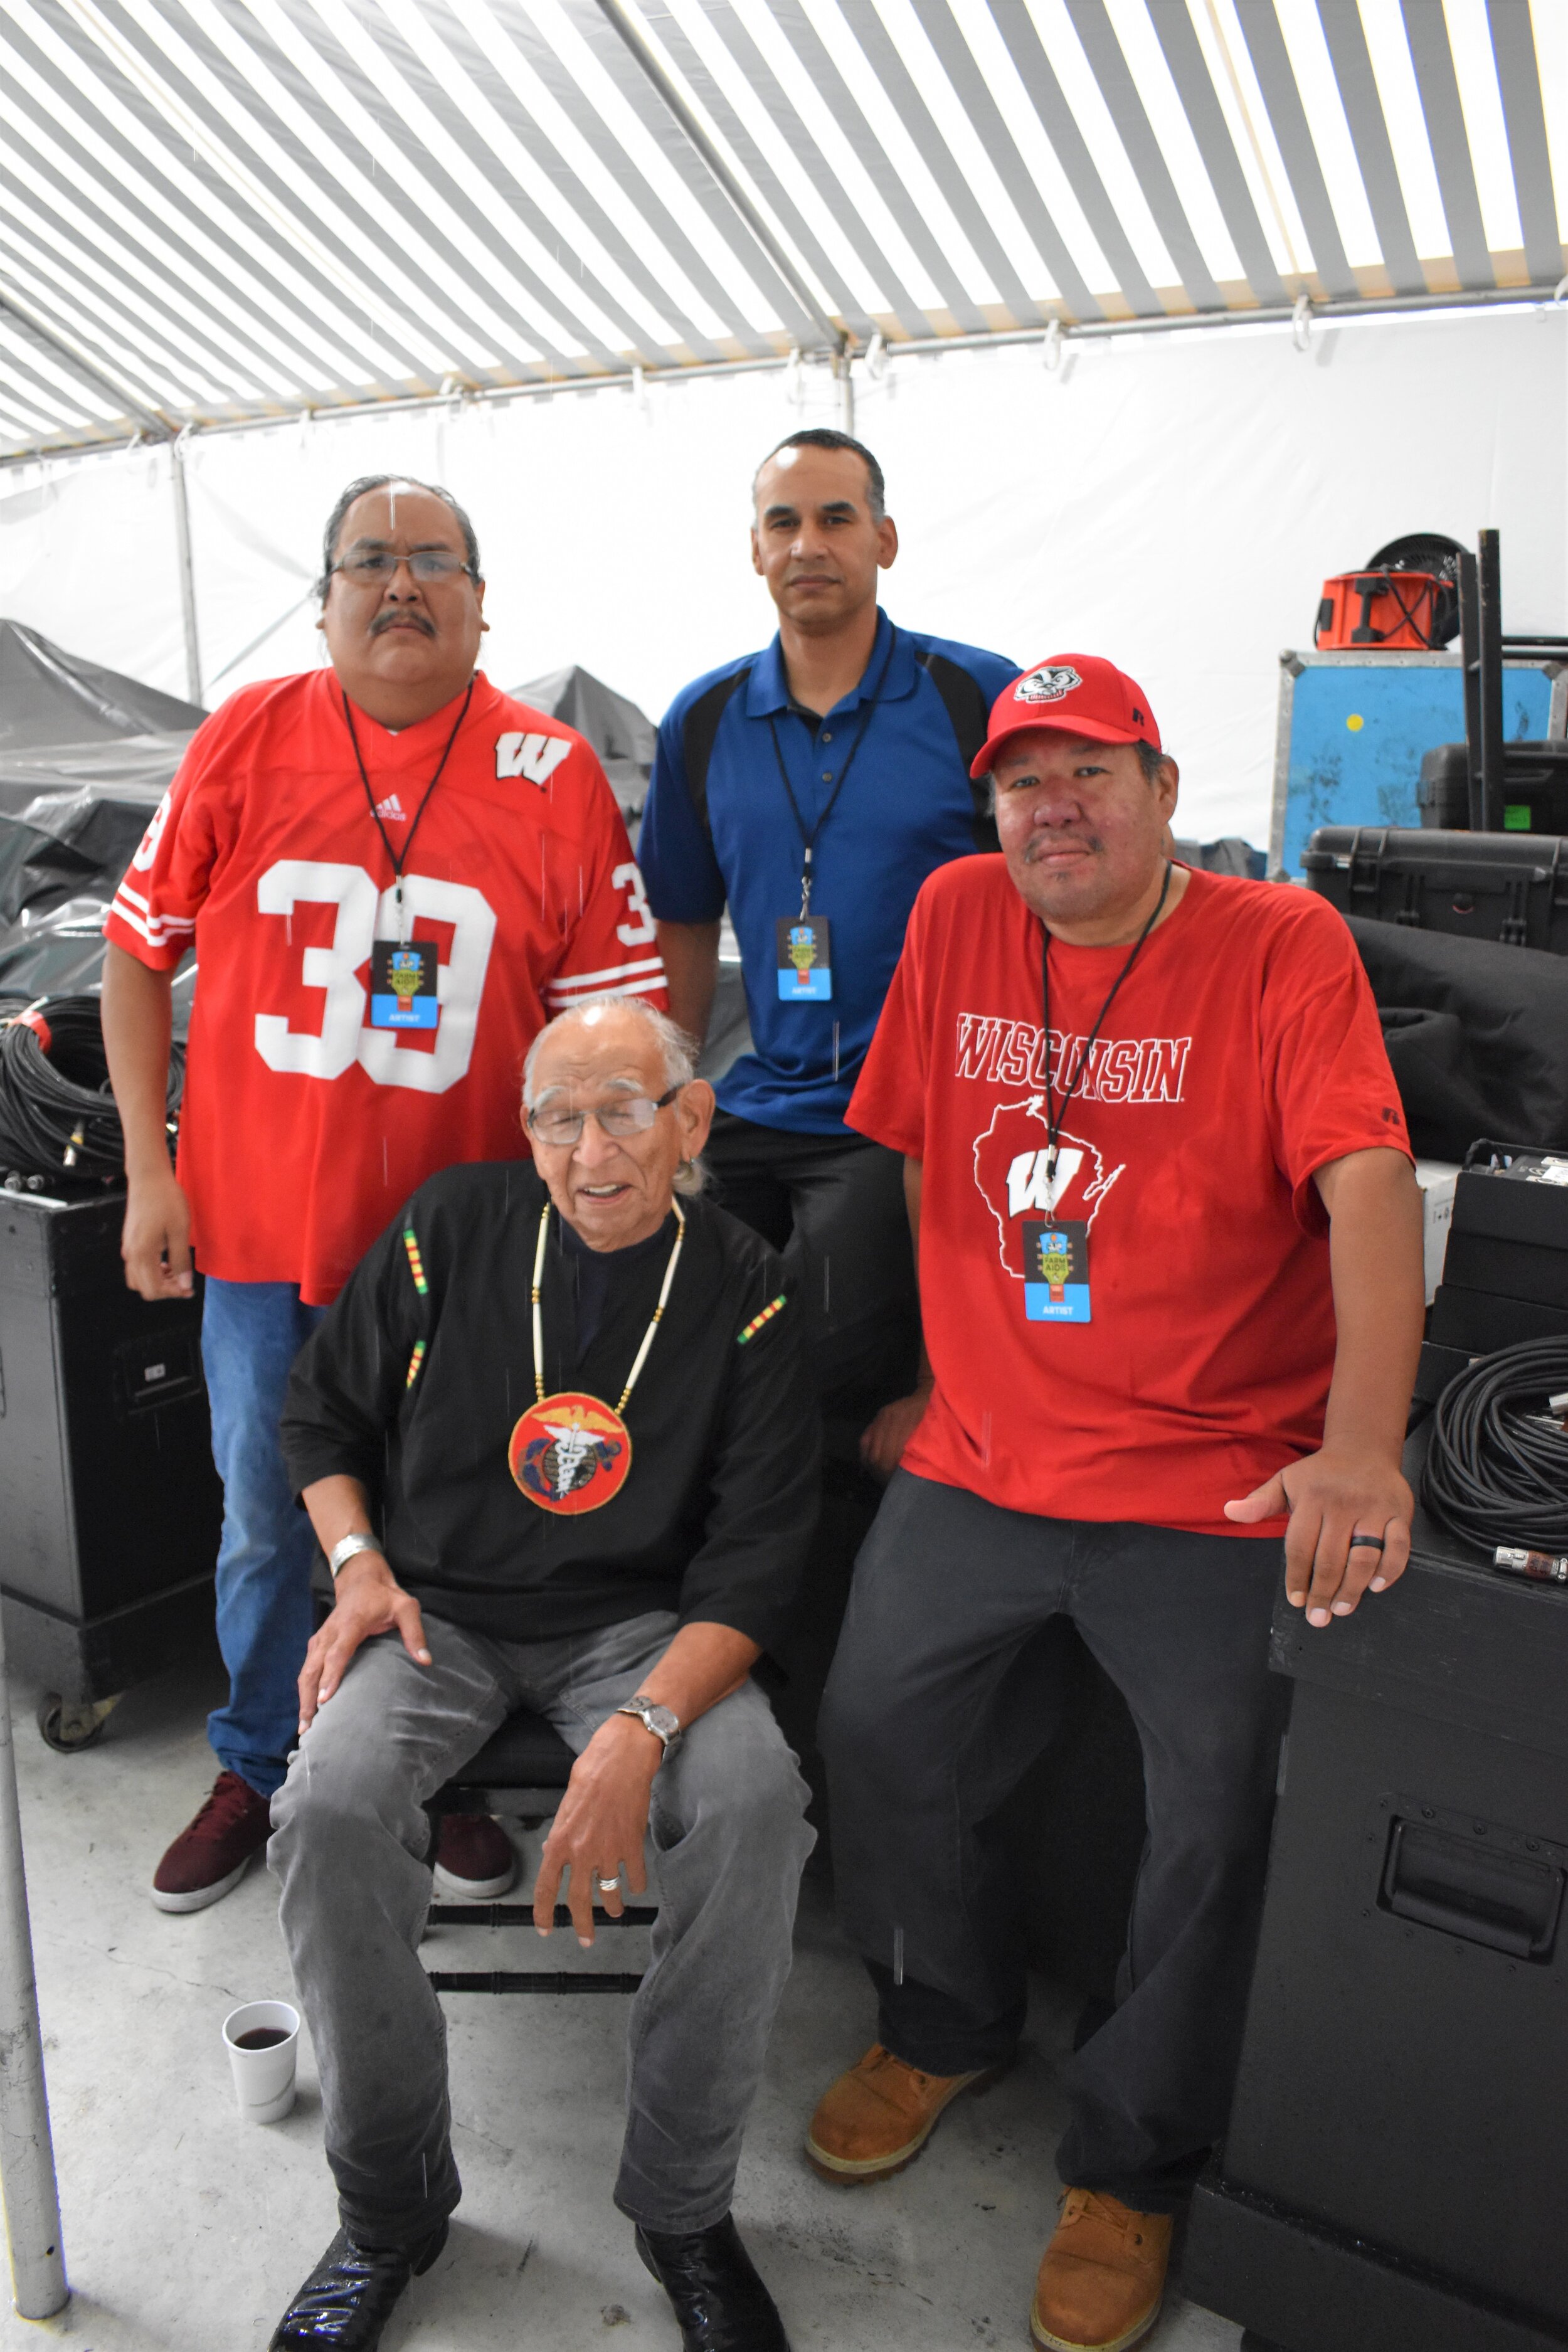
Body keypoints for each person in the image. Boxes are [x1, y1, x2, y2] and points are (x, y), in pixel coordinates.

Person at [806, 655, 1425, 2352]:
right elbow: (929, 1145)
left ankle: (1133, 2157)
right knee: (870, 1719)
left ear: (1161, 786)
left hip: (1216, 1472)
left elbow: (1366, 1184)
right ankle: (941, 2017)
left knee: (1217, 1802)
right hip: (991, 1449)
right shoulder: (954, 914)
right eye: (1021, 779)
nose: (1049, 806)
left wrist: (1359, 1443)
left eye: (1087, 771)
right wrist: (947, 1367)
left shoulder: (1275, 939)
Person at [102, 475, 665, 1915]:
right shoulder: (246, 737)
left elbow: (615, 1023)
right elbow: (135, 949)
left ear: (484, 600)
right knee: (260, 1514)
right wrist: (151, 1173)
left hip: (468, 1259)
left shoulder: (551, 771)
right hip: (257, 1237)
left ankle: (439, 1766)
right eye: (370, 560)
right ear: (324, 594)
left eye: (433, 562)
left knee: (452, 1519)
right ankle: (260, 1755)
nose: (400, 584)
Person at [267, 998, 817, 2352]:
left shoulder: (743, 1283)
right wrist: (356, 1568)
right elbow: (319, 1415)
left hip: (640, 1631)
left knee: (752, 1802)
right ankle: (388, 2210)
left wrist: (637, 1732)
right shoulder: (448, 1226)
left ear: (689, 1119)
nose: (589, 1151)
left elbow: (755, 1563)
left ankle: (683, 2210)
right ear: (524, 1133)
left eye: (624, 1109)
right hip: (432, 1611)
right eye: (555, 1118)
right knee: (325, 1806)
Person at [637, 427, 1016, 1444]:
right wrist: (671, 1096)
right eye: (784, 521)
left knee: (811, 1339)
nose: (809, 543)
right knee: (648, 1281)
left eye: (836, 518)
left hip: (911, 1111)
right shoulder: (704, 719)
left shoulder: (973, 696)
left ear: (885, 540)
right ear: (755, 550)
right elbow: (682, 914)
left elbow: (1048, 904)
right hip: (766, 1095)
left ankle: (806, 1565)